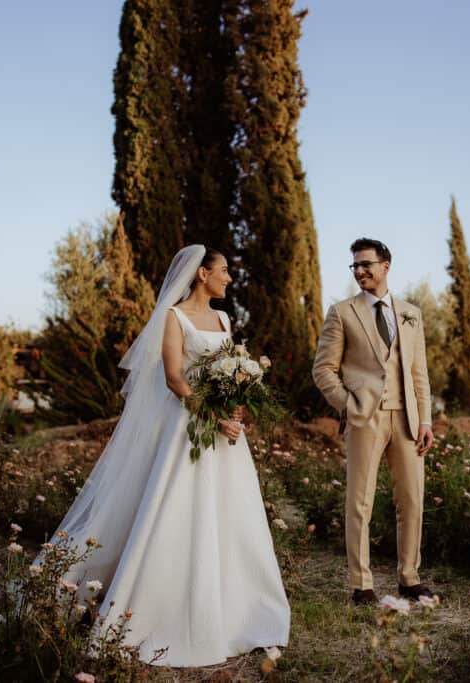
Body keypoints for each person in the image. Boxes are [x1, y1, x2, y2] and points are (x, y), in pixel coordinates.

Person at [41, 244, 290, 666]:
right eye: (224, 270)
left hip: (224, 432)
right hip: (188, 428)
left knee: (232, 513)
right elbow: (175, 379)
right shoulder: (173, 318)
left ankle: (242, 608)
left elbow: (228, 370)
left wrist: (236, 401)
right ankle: (158, 609)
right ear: (201, 275)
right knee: (177, 509)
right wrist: (211, 415)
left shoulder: (225, 319)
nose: (229, 278)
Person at [312, 238, 436, 605]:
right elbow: (323, 370)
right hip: (365, 417)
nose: (360, 271)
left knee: (412, 500)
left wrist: (426, 419)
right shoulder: (342, 312)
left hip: (409, 419)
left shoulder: (411, 312)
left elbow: (419, 373)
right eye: (355, 266)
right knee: (359, 502)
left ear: (386, 266)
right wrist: (349, 406)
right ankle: (361, 585)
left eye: (367, 264)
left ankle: (409, 578)